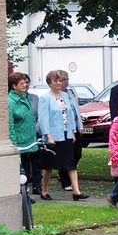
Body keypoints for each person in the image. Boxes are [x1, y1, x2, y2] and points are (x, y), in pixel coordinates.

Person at [38, 70, 89, 201]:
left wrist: (72, 131)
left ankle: (76, 191)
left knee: (70, 163)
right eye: (55, 81)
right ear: (49, 83)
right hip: (53, 136)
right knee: (50, 165)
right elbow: (43, 119)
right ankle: (44, 190)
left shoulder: (65, 96)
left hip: (66, 134)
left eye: (60, 80)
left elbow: (70, 115)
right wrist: (48, 135)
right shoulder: (45, 98)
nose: (58, 83)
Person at [8, 72, 39, 189]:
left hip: (30, 141)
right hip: (19, 141)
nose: (25, 85)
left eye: (26, 82)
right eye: (22, 83)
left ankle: (27, 191)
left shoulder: (25, 98)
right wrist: (14, 144)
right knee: (20, 170)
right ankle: (20, 192)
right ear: (14, 86)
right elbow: (10, 125)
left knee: (28, 169)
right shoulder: (10, 101)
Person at [57, 70, 84, 192]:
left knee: (77, 153)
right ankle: (65, 180)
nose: (65, 82)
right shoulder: (56, 95)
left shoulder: (71, 92)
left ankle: (69, 175)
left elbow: (76, 110)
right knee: (66, 155)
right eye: (62, 80)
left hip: (75, 127)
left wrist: (80, 126)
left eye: (66, 79)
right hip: (64, 129)